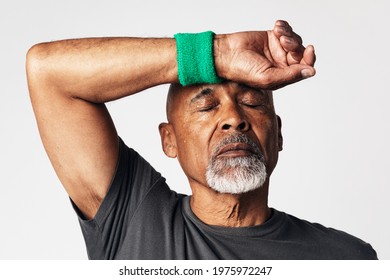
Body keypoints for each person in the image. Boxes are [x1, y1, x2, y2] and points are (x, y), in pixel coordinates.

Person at [26, 20, 377, 259]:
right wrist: (216, 53)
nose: (234, 119)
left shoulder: (346, 258)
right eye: (207, 107)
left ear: (279, 133)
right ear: (170, 140)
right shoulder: (133, 219)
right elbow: (48, 71)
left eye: (252, 103)